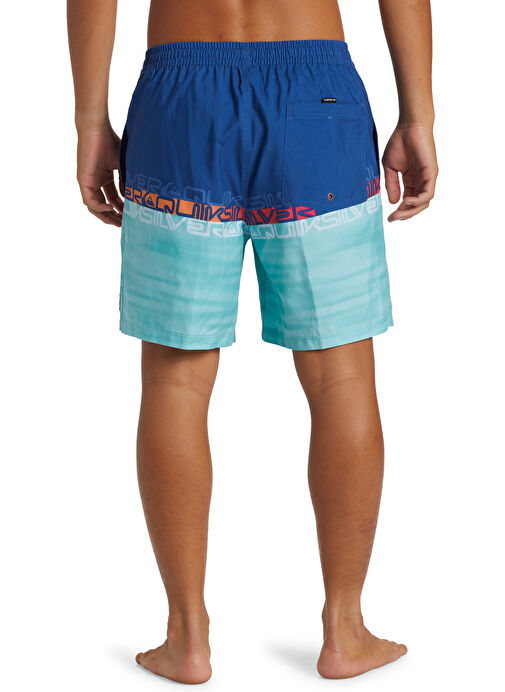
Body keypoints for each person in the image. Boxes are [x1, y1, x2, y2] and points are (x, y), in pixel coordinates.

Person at [68, 0, 437, 683]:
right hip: (317, 92)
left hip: (180, 101)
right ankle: (345, 629)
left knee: (175, 380)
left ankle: (186, 637)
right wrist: (418, 115)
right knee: (342, 377)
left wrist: (91, 121)